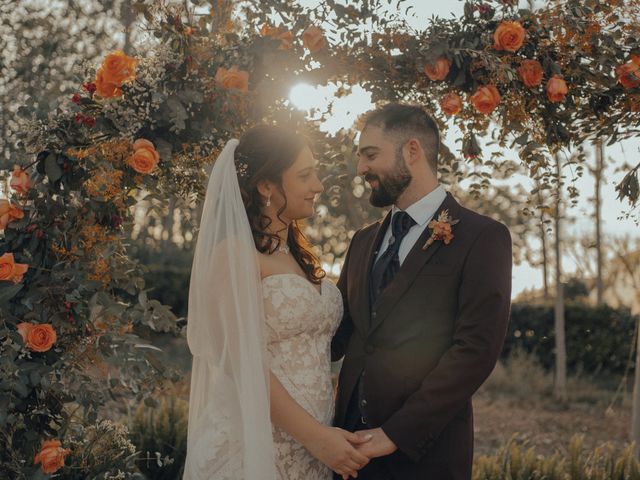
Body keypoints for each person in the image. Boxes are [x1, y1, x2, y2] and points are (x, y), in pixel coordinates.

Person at [332, 103, 513, 479]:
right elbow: (338, 333)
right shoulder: (363, 241)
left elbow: (475, 350)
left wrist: (396, 433)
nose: (361, 168)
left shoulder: (482, 237)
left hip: (425, 454)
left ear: (412, 151)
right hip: (348, 449)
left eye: (370, 155)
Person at [183, 125, 371, 480]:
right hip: (255, 444)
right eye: (305, 175)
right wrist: (316, 438)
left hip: (312, 449)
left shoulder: (297, 257)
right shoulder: (234, 255)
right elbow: (239, 364)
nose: (318, 185)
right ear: (266, 185)